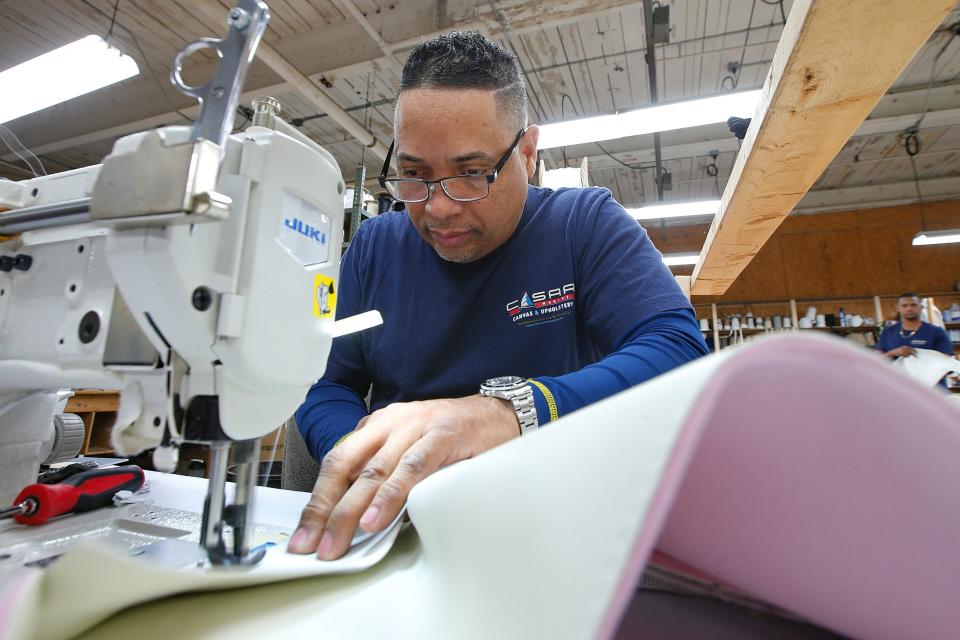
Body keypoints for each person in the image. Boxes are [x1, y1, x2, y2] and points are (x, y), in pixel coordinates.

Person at [288, 32, 709, 560]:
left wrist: (509, 413)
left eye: (470, 174)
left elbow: (677, 351)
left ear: (526, 153)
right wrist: (369, 459)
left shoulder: (583, 225)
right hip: (402, 526)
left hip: (547, 521)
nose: (438, 208)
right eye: (415, 176)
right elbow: (326, 384)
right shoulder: (374, 247)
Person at [877, 293, 953, 360]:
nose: (909, 309)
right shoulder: (888, 332)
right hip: (895, 375)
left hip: (927, 376)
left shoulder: (937, 332)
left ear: (921, 307)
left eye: (913, 305)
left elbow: (947, 360)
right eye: (904, 306)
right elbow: (877, 360)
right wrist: (893, 353)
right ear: (898, 308)